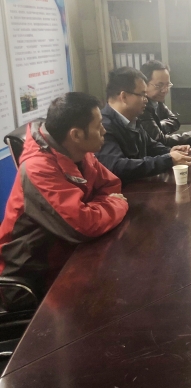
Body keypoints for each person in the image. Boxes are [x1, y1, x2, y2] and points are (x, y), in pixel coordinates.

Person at [0, 92, 129, 307]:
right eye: (98, 126)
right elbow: (84, 226)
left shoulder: (80, 152)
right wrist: (116, 204)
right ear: (76, 135)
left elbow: (111, 185)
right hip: (30, 279)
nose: (104, 131)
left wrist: (92, 209)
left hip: (69, 255)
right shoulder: (38, 169)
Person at [96, 67, 191, 183]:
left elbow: (150, 146)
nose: (146, 100)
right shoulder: (103, 127)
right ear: (124, 97)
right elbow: (118, 166)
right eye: (142, 95)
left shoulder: (132, 119)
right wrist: (168, 160)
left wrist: (170, 151)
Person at [139, 60, 191, 147]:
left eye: (167, 85)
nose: (165, 90)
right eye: (159, 85)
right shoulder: (141, 107)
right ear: (144, 84)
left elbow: (175, 121)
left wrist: (158, 125)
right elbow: (161, 141)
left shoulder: (157, 101)